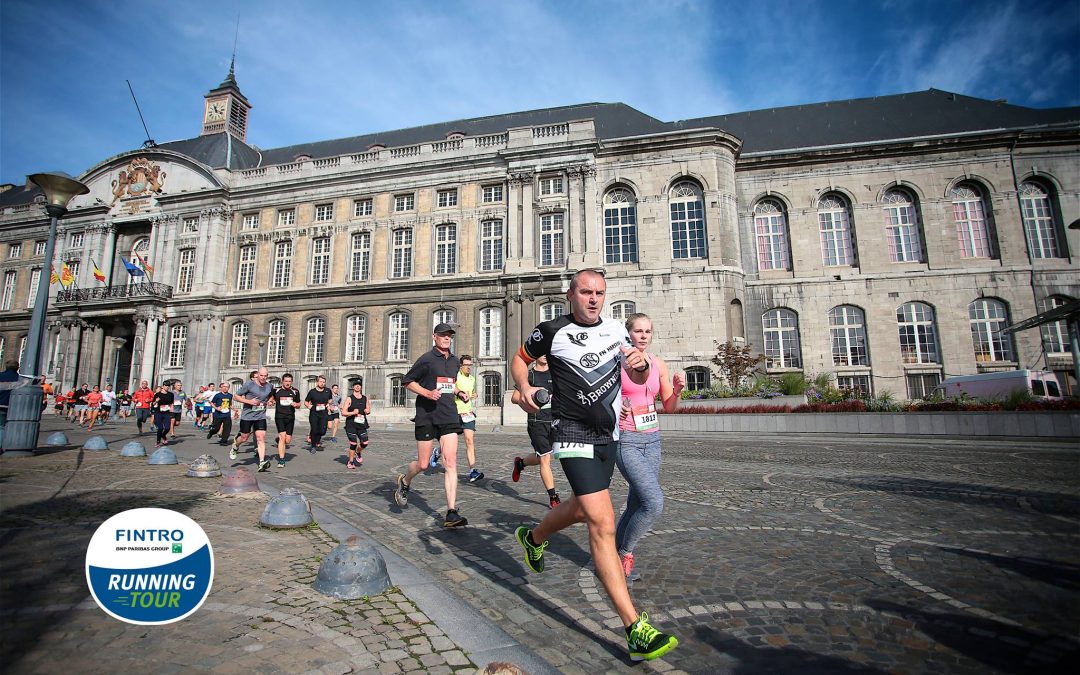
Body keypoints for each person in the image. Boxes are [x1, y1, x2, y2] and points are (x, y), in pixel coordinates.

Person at [510, 269, 678, 662]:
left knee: (582, 508)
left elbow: (634, 373)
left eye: (599, 293)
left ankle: (532, 538)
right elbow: (521, 359)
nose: (593, 299)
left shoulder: (618, 330)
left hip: (610, 437)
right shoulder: (551, 330)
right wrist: (524, 386)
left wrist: (638, 366)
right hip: (571, 433)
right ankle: (634, 627)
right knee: (602, 523)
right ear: (571, 294)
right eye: (585, 292)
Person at [615, 313, 684, 580]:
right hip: (627, 440)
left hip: (653, 440)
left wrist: (677, 390)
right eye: (638, 331)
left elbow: (668, 406)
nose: (643, 336)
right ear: (628, 334)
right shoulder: (618, 363)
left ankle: (611, 556)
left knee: (636, 503)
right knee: (654, 503)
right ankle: (626, 553)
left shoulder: (658, 364)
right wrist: (615, 409)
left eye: (648, 331)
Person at [393, 322, 468, 528]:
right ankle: (405, 481)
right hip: (426, 416)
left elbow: (448, 384)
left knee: (450, 463)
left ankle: (451, 512)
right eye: (443, 335)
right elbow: (408, 381)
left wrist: (459, 392)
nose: (447, 338)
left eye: (449, 336)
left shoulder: (454, 361)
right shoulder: (426, 359)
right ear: (434, 336)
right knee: (423, 464)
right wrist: (427, 393)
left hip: (449, 415)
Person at [510, 355, 561, 509]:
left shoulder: (556, 373)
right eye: (541, 352)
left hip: (555, 421)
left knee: (543, 457)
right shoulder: (529, 375)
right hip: (537, 423)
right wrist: (530, 403)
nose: (544, 355)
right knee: (545, 459)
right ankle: (553, 497)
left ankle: (521, 463)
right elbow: (515, 397)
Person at [231, 368, 274, 472]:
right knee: (244, 438)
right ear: (258, 375)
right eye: (262, 375)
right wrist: (249, 401)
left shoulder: (269, 386)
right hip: (247, 416)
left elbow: (271, 396)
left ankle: (262, 462)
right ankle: (235, 446)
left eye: (265, 376)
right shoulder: (249, 385)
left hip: (260, 416)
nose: (264, 378)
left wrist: (271, 401)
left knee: (261, 438)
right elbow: (235, 396)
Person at [455, 355, 484, 483]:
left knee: (469, 441)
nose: (469, 367)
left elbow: (471, 392)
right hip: (455, 413)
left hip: (468, 413)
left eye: (470, 365)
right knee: (450, 443)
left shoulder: (472, 379)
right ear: (461, 366)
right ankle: (437, 451)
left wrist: (474, 395)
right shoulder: (455, 376)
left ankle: (472, 471)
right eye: (466, 365)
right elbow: (449, 390)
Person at [271, 373, 301, 468]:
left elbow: (299, 403)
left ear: (291, 382)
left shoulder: (295, 391)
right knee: (282, 437)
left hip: (290, 417)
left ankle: (278, 440)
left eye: (289, 381)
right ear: (282, 381)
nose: (287, 383)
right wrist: (271, 401)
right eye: (286, 381)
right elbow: (271, 399)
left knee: (287, 440)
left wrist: (296, 405)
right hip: (279, 416)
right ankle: (281, 460)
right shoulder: (276, 390)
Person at [341, 379, 372, 469]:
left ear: (361, 387)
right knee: (353, 444)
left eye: (359, 385)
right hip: (351, 425)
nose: (358, 386)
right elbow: (343, 412)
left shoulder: (365, 398)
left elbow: (368, 409)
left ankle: (358, 452)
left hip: (362, 424)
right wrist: (352, 413)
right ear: (353, 387)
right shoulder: (349, 398)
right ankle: (350, 462)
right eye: (356, 385)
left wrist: (367, 411)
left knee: (365, 442)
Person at [304, 375, 332, 453]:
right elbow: (306, 402)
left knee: (322, 431)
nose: (322, 383)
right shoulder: (312, 392)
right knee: (314, 429)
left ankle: (316, 440)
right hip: (314, 413)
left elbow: (330, 399)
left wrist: (328, 404)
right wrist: (309, 406)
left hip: (324, 413)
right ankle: (313, 446)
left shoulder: (328, 390)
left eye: (324, 382)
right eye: (320, 381)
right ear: (317, 382)